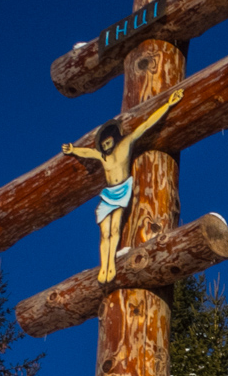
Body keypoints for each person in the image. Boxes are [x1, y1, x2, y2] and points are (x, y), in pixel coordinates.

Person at [60, 86, 184, 282]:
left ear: (114, 139)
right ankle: (105, 264)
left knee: (115, 228)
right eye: (104, 144)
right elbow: (87, 153)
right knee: (104, 232)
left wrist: (168, 104)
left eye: (109, 142)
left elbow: (145, 126)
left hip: (121, 189)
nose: (107, 146)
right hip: (108, 193)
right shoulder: (103, 157)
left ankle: (110, 266)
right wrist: (74, 149)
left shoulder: (125, 145)